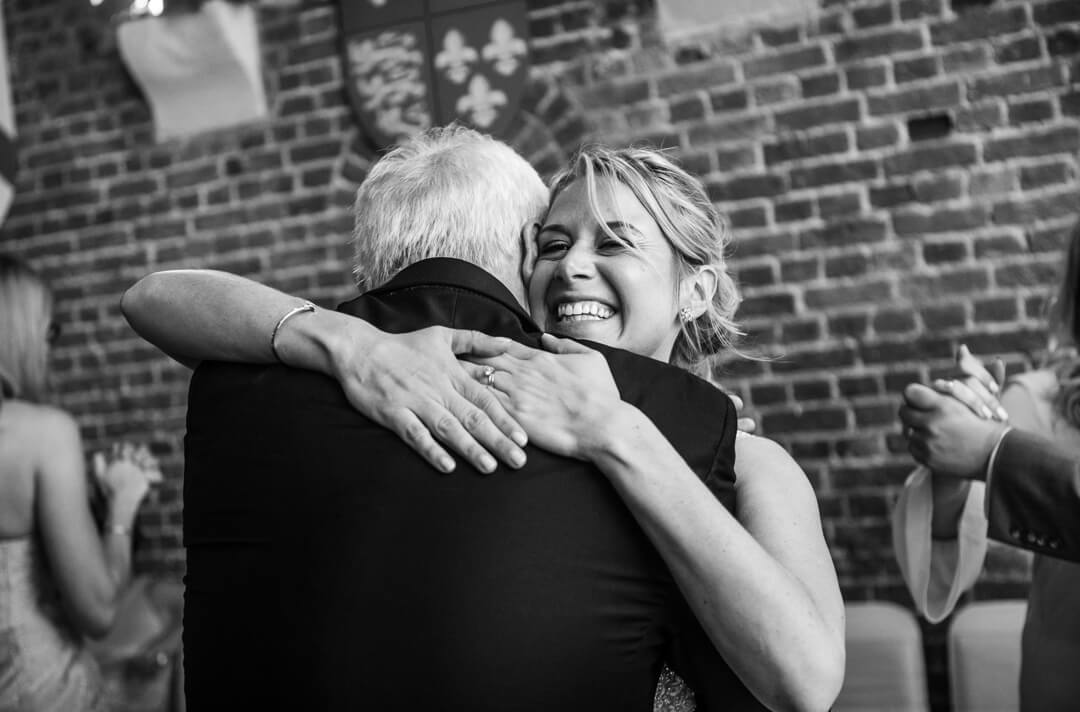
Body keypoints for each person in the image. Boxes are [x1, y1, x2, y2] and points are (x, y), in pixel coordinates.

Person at [124, 131, 844, 710]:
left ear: (696, 290)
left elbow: (805, 684)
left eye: (615, 244)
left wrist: (617, 429)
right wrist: (354, 344)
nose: (572, 270)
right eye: (552, 246)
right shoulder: (459, 377)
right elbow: (157, 299)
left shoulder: (748, 462)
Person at [895, 217, 1080, 709]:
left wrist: (989, 449)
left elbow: (991, 451)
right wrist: (961, 449)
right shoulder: (1044, 398)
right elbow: (941, 570)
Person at [0, 254, 161, 710]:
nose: (49, 348)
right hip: (39, 691)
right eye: (49, 331)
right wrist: (124, 500)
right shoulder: (43, 435)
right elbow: (99, 612)